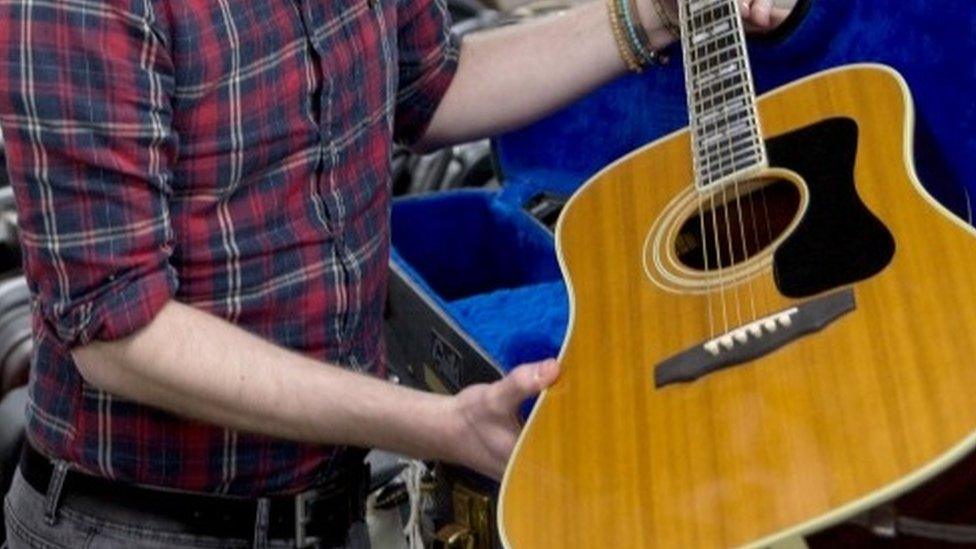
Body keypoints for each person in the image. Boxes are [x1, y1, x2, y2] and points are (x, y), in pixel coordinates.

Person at [0, 0, 788, 547]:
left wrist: (650, 17)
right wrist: (433, 422)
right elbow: (118, 330)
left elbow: (431, 84)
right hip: (140, 527)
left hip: (327, 506)